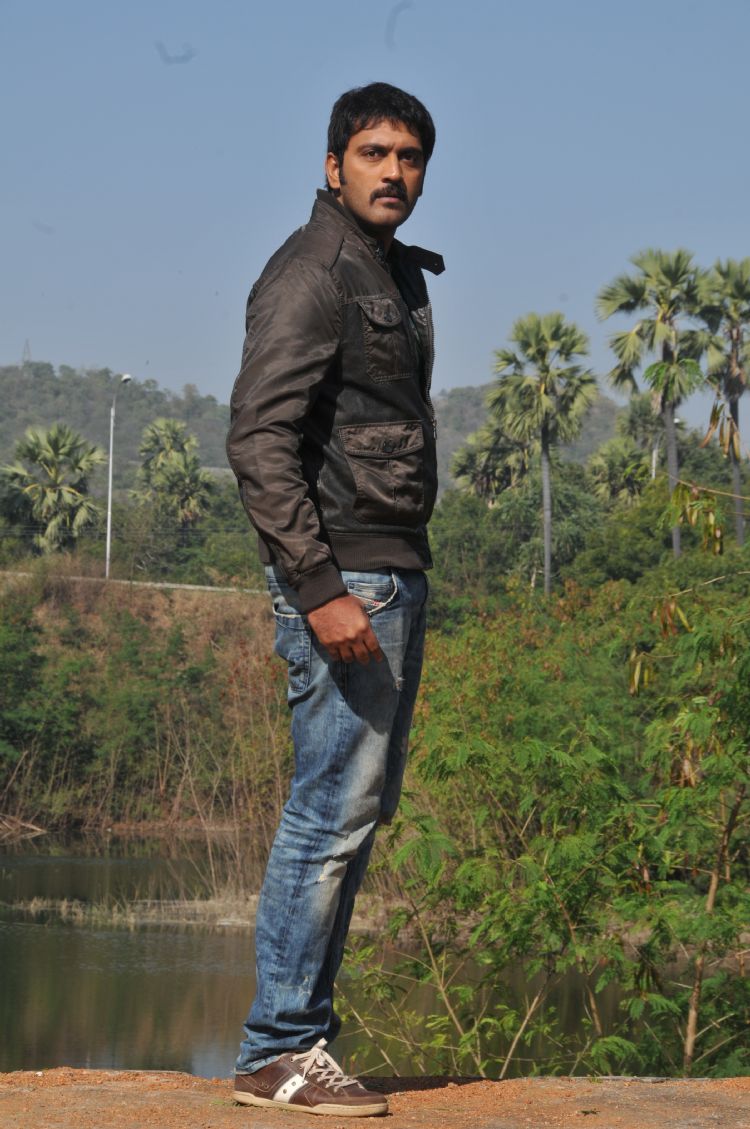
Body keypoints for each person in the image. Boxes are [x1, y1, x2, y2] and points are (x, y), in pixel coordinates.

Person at [226, 81, 443, 1118]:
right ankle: (277, 1048)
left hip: (387, 570)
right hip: (346, 577)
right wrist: (318, 588)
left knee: (353, 813)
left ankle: (298, 1039)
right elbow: (259, 438)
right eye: (373, 153)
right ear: (333, 166)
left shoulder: (384, 268)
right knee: (327, 813)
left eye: (409, 156)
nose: (393, 171)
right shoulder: (314, 272)